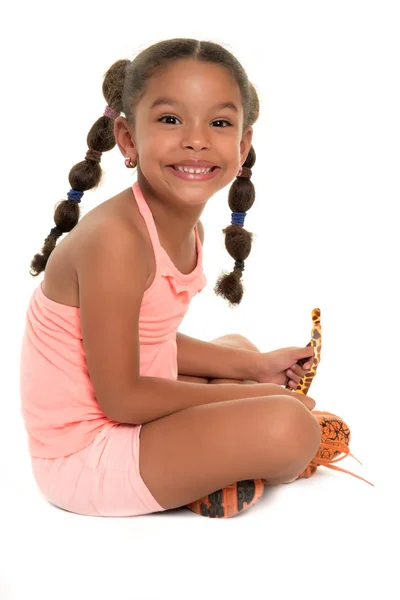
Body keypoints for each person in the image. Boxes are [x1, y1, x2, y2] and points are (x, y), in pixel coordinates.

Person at [20, 38, 323, 519]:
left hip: (127, 413)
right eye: (169, 119)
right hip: (86, 459)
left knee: (240, 350)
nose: (196, 139)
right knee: (291, 426)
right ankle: (234, 465)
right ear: (127, 139)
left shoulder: (185, 228)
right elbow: (122, 398)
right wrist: (258, 396)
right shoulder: (115, 241)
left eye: (220, 123)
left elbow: (152, 338)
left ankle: (217, 456)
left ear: (243, 147)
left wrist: (257, 369)